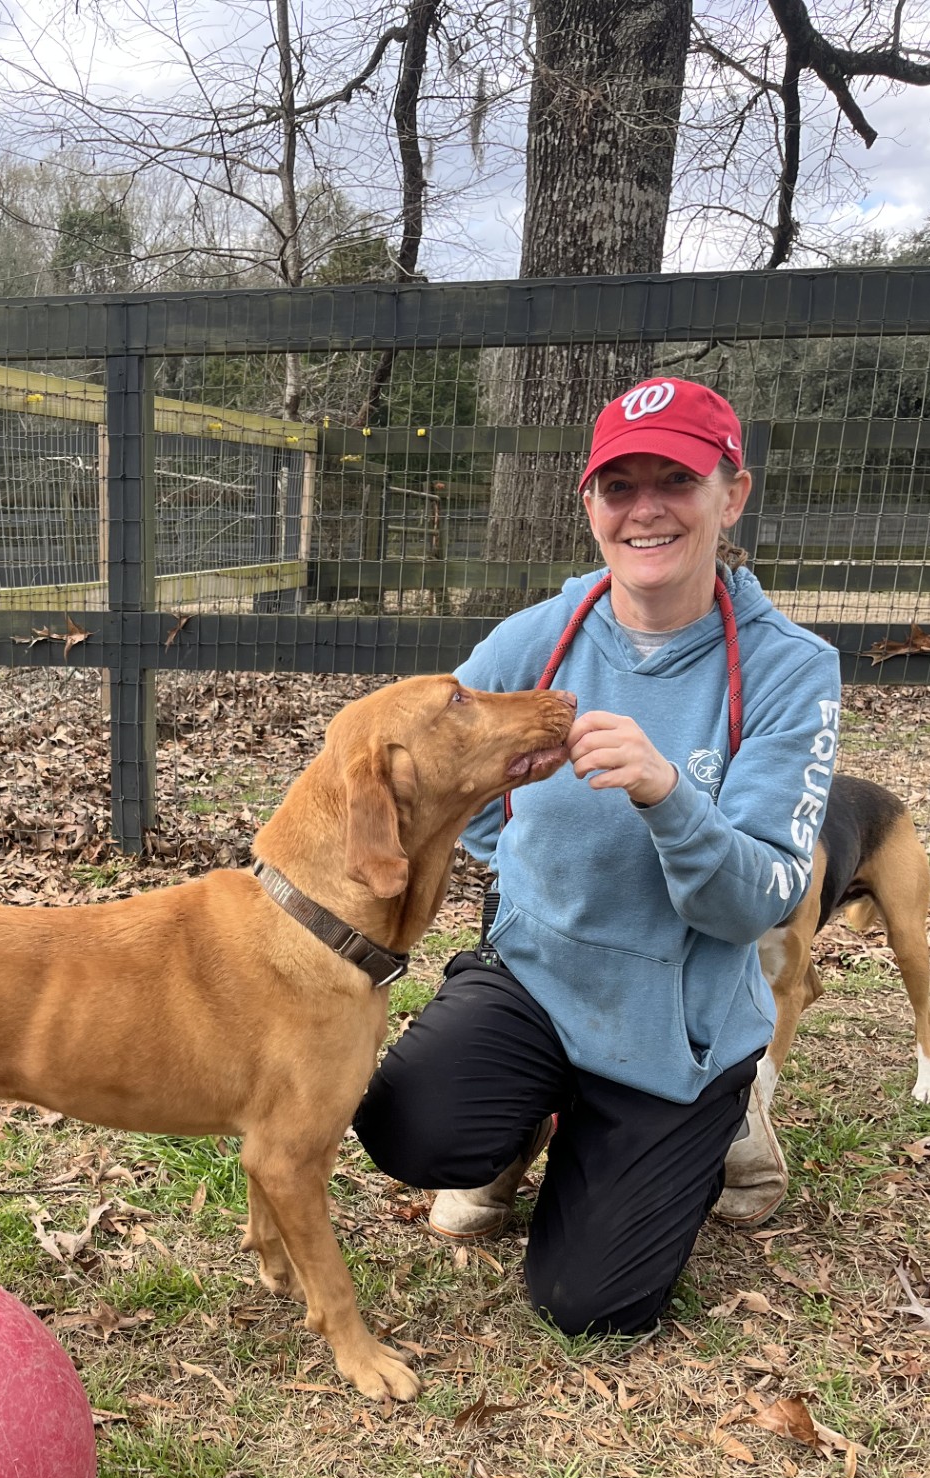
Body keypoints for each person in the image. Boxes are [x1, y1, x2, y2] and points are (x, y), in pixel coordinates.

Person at [353, 378, 843, 1338]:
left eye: (677, 479)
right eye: (620, 486)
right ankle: (521, 1119)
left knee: (594, 1302)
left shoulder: (791, 669)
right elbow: (445, 773)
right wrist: (515, 866)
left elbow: (758, 902)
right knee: (405, 1123)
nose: (646, 507)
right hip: (537, 975)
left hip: (678, 1018)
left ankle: (724, 1115)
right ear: (590, 505)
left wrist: (670, 797)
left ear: (730, 494)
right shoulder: (544, 634)